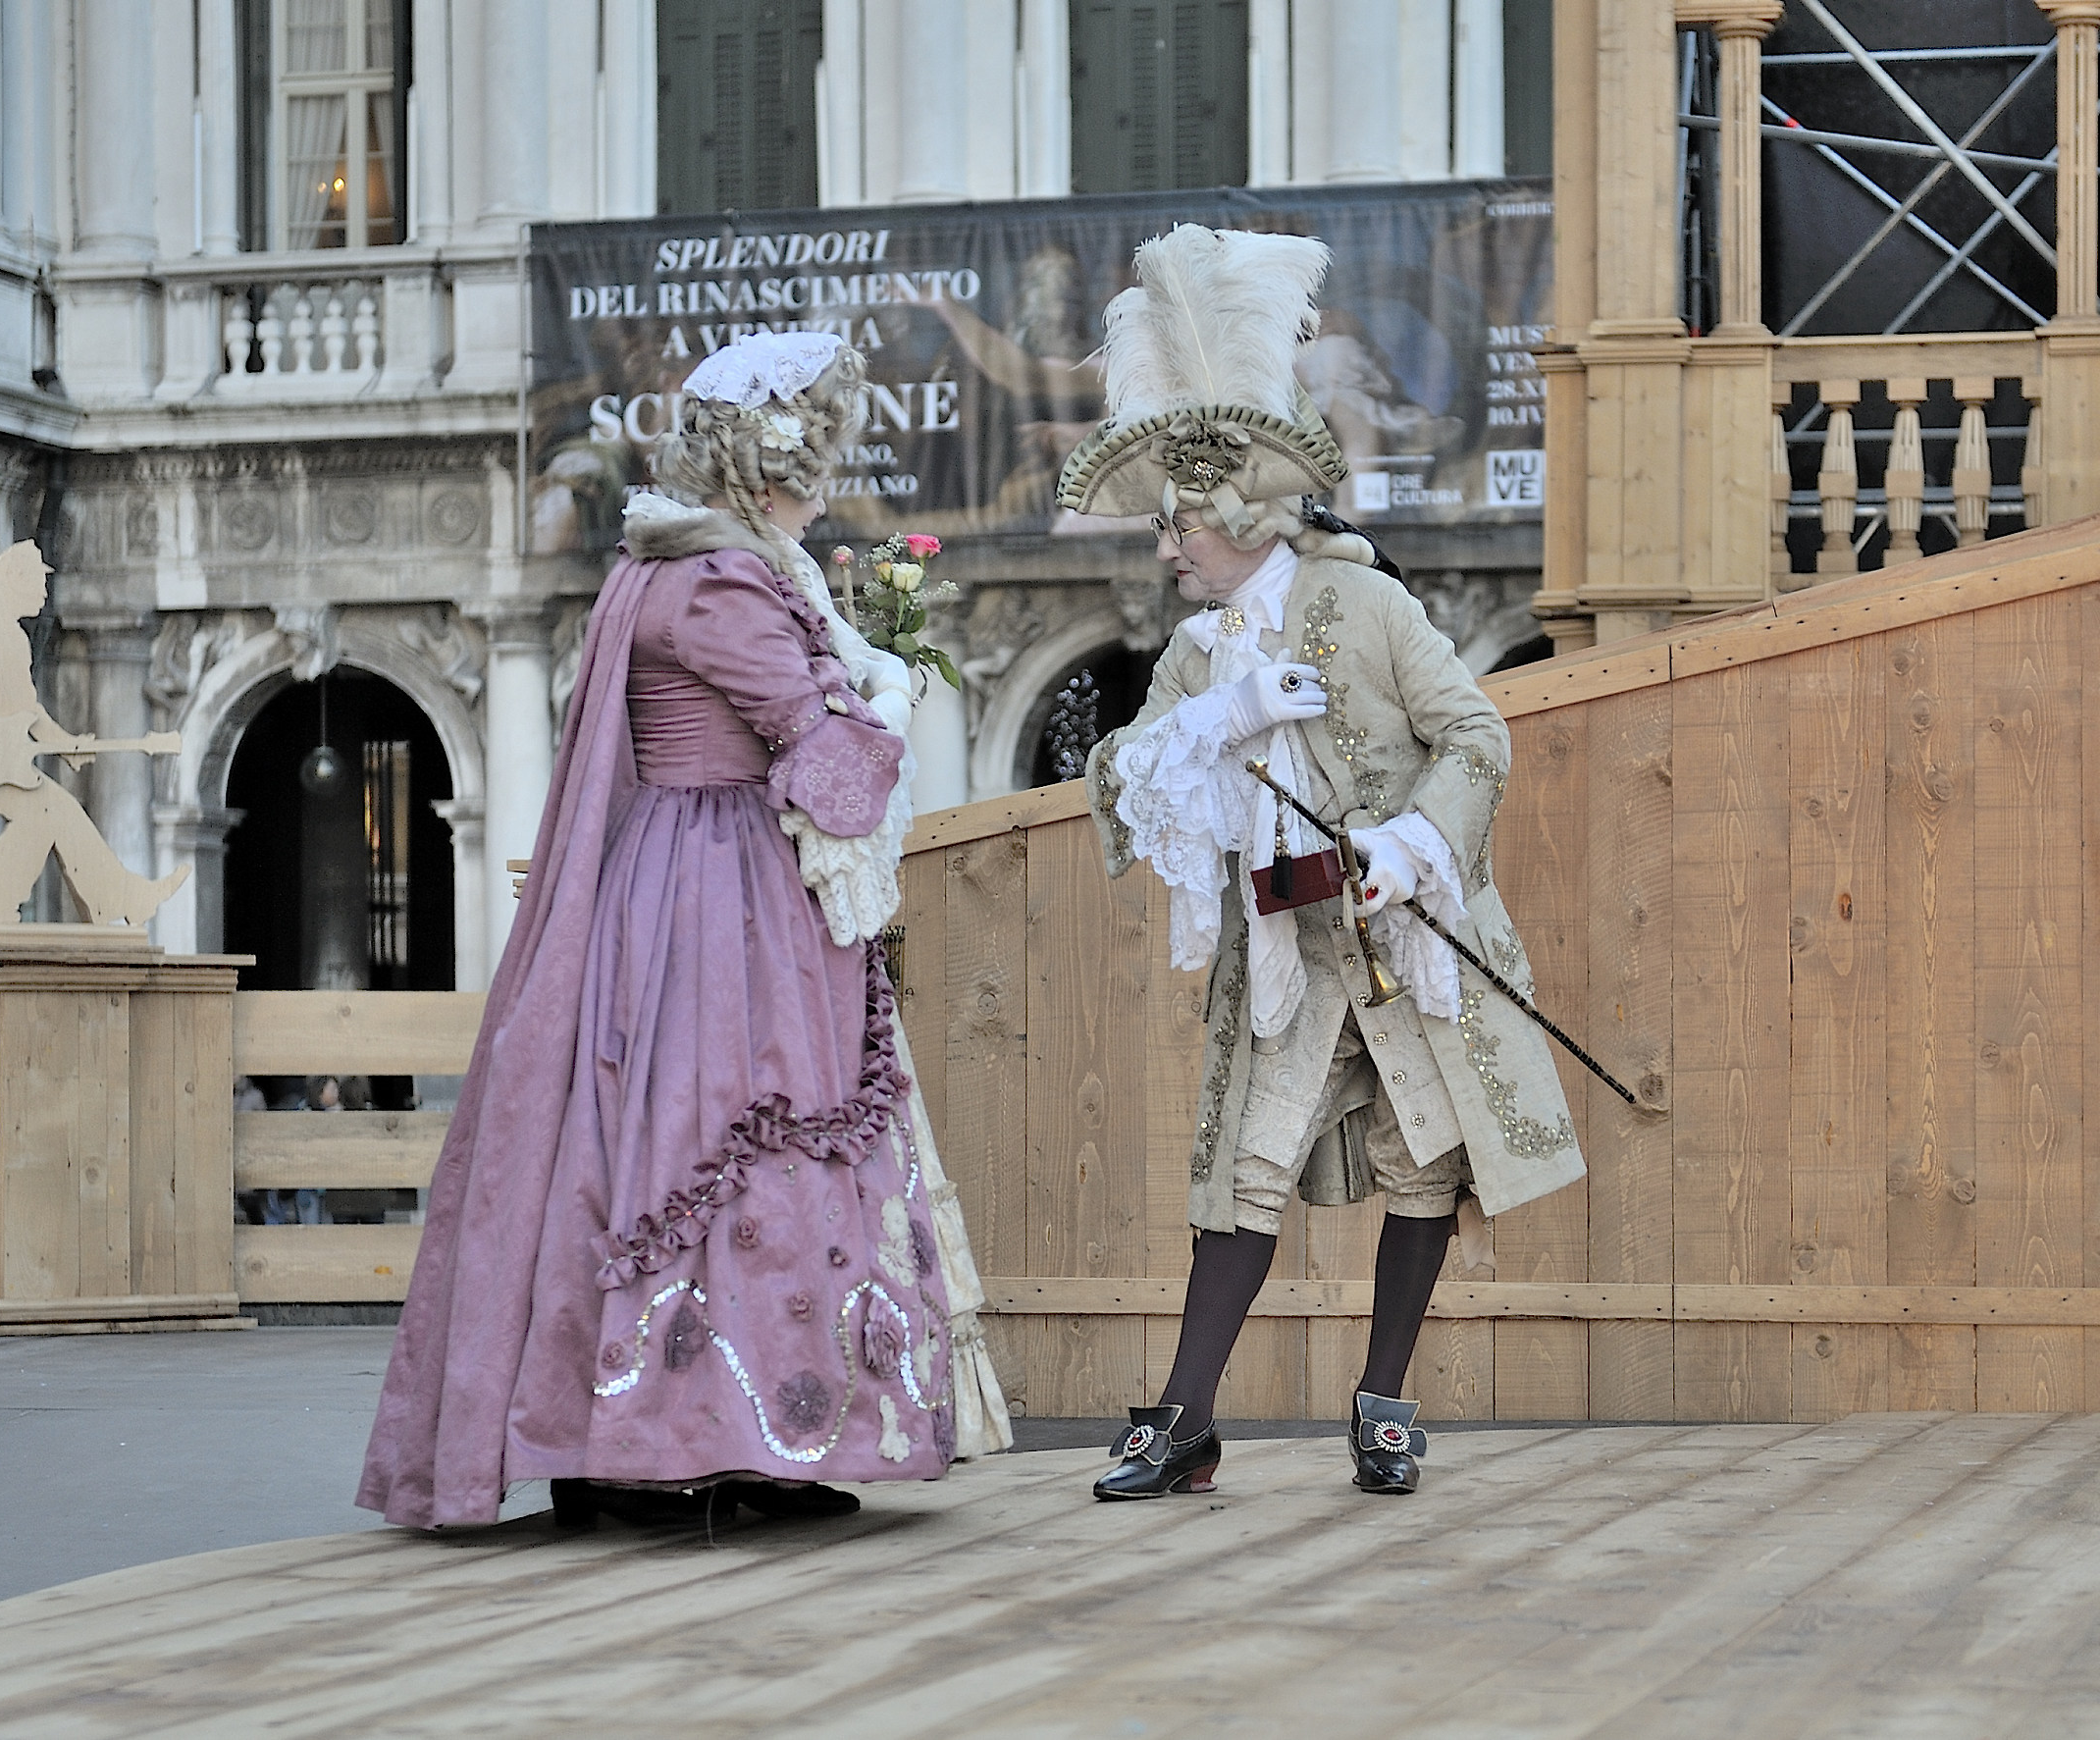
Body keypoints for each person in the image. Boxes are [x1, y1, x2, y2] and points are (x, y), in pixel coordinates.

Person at [359, 331, 1007, 1532]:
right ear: (777, 467)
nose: (827, 486)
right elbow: (826, 769)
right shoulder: (719, 580)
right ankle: (687, 1448)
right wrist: (889, 700)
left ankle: (721, 1444)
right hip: (725, 894)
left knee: (673, 1146)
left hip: (684, 881)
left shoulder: (670, 564)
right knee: (727, 1142)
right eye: (819, 461)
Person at [1062, 226, 1585, 1500]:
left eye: (1180, 521)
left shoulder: (1370, 608)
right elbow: (1117, 786)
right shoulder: (1195, 654)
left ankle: (1384, 1398)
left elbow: (1476, 735)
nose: (1169, 545)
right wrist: (1209, 721)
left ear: (1235, 508)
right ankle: (1185, 1420)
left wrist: (1413, 842)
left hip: (1403, 932)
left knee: (1426, 1158)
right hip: (1283, 949)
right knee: (1242, 1166)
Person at [0, 542, 185, 928]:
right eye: (37, 582)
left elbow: (27, 711)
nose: (43, 593)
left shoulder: (18, 641)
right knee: (50, 812)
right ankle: (116, 899)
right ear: (13, 581)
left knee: (52, 814)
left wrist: (65, 742)